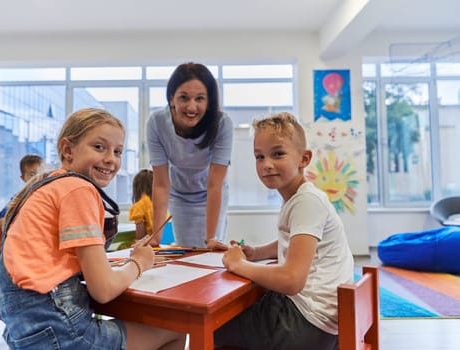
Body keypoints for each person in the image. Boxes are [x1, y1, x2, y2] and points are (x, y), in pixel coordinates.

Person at [0, 108, 185, 350]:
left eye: (117, 151)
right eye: (99, 147)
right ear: (67, 150)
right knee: (176, 330)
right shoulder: (78, 190)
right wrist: (139, 263)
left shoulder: (45, 185)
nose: (111, 159)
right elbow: (103, 290)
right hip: (62, 332)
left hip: (24, 333)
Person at [214, 112, 354, 350]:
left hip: (306, 324)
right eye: (259, 156)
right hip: (322, 321)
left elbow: (291, 280)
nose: (266, 164)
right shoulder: (301, 198)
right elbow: (292, 242)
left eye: (277, 154)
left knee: (216, 326)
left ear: (304, 158)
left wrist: (240, 265)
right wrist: (256, 253)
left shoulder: (306, 202)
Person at [146, 62, 233, 249]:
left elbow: (214, 183)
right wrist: (155, 237)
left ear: (209, 102)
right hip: (180, 195)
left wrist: (211, 237)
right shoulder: (157, 122)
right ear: (171, 99)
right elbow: (161, 184)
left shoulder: (222, 123)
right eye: (184, 97)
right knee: (186, 251)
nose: (191, 107)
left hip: (211, 193)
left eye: (200, 98)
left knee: (209, 251)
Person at [0, 154, 45, 229]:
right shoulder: (20, 197)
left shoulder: (52, 194)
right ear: (23, 178)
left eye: (41, 172)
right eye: (32, 174)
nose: (37, 177)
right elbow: (0, 219)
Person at [129, 169, 154, 240]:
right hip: (166, 243)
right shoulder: (159, 204)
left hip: (151, 244)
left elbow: (140, 236)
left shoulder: (138, 207)